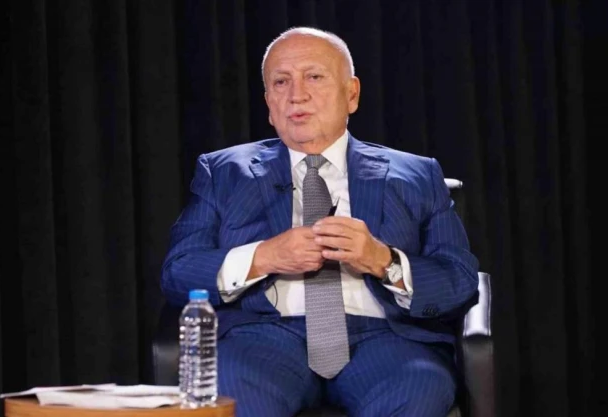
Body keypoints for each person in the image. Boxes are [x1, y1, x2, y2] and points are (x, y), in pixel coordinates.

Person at [162, 27, 479, 417]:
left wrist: (383, 261)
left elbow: (459, 281)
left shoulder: (416, 176)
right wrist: (264, 257)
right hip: (262, 338)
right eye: (281, 82)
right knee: (236, 393)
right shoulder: (224, 172)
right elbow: (178, 272)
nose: (297, 95)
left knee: (416, 390)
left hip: (386, 341)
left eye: (314, 76)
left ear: (352, 94)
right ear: (268, 103)